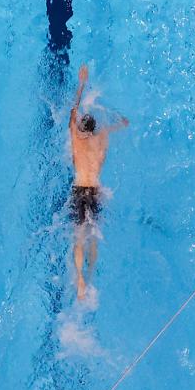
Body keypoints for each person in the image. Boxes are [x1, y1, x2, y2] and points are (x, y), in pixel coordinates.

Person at [66, 64, 128, 301]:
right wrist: (120, 124)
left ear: (82, 127)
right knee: (93, 236)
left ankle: (79, 280)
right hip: (96, 191)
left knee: (78, 237)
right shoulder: (102, 140)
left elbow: (73, 112)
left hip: (79, 189)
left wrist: (82, 83)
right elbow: (114, 128)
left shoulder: (77, 141)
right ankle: (89, 278)